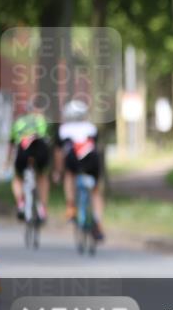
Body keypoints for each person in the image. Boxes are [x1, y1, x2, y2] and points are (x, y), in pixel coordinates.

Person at [54, 99, 105, 241]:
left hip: (73, 158)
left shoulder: (63, 129)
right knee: (96, 191)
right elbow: (96, 146)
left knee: (70, 175)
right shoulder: (91, 128)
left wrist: (58, 171)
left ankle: (70, 207)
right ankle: (98, 222)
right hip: (92, 158)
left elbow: (59, 153)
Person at [8, 102, 52, 223]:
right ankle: (42, 207)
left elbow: (12, 143)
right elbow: (46, 137)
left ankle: (21, 203)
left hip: (23, 150)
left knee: (17, 177)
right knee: (43, 176)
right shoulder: (41, 119)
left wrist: (7, 161)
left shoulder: (18, 122)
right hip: (39, 149)